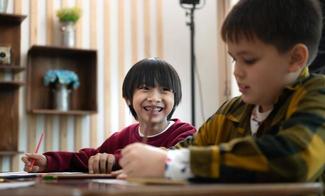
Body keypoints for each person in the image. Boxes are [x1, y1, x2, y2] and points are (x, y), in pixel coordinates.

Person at [119, 0, 325, 186]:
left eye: (249, 60)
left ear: (295, 58)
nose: (236, 71)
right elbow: (186, 150)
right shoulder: (231, 111)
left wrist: (169, 165)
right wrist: (145, 162)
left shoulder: (317, 94)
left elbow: (294, 159)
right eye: (234, 59)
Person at [22, 57, 196, 174]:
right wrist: (48, 162)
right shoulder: (121, 137)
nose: (155, 98)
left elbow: (171, 157)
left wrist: (114, 159)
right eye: (145, 88)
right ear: (128, 98)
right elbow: (86, 159)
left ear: (176, 97)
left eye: (165, 90)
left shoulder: (185, 133)